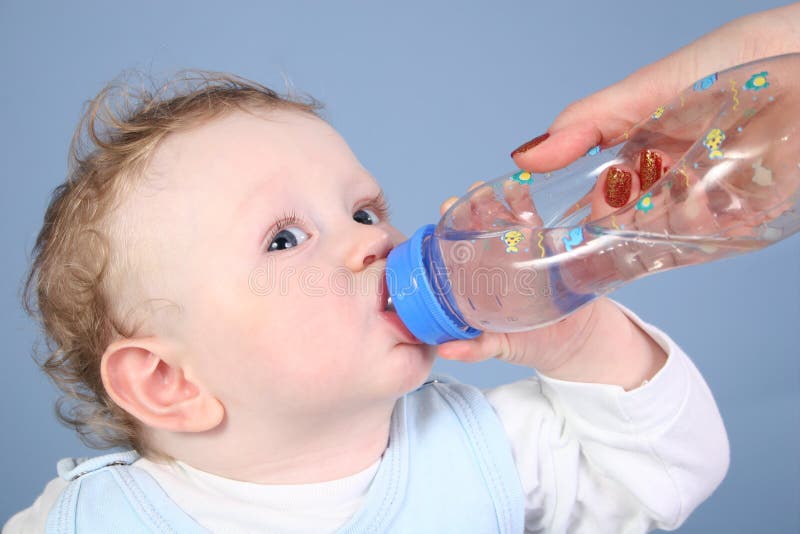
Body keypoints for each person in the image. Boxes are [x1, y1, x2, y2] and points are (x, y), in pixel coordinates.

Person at [11, 4, 797, 530]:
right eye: (285, 239)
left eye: (363, 210)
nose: (375, 240)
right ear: (167, 383)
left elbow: (674, 472)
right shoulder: (87, 519)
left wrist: (573, 324)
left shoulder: (490, 448)